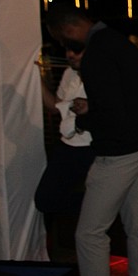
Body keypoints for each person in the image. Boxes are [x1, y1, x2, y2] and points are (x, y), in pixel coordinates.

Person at [45, 4, 138, 276]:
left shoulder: (95, 55)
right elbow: (126, 100)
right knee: (137, 225)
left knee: (89, 235)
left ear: (68, 30)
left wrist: (82, 118)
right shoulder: (119, 41)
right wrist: (94, 107)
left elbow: (109, 113)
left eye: (64, 41)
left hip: (119, 153)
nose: (68, 50)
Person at [35, 46, 95, 217]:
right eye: (67, 51)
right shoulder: (70, 73)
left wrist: (88, 108)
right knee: (44, 200)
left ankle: (102, 210)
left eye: (76, 51)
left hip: (92, 147)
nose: (70, 55)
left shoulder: (102, 74)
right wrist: (36, 78)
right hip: (67, 144)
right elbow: (56, 107)